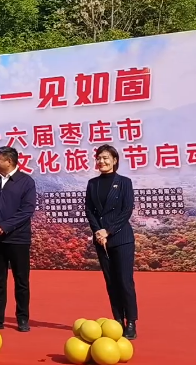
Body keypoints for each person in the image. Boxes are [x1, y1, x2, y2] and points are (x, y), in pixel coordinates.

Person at [0, 146, 36, 332]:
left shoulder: (26, 182)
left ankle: (22, 319)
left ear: (9, 162)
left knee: (21, 281)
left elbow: (27, 210)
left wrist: (6, 225)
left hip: (18, 239)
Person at [85, 144, 138, 340]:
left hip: (121, 238)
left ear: (114, 160)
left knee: (124, 281)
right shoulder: (92, 184)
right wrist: (98, 232)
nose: (102, 161)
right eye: (99, 158)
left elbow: (127, 210)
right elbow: (89, 210)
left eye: (106, 158)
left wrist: (108, 230)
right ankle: (117, 320)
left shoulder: (124, 182)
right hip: (101, 240)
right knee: (111, 282)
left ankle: (131, 322)